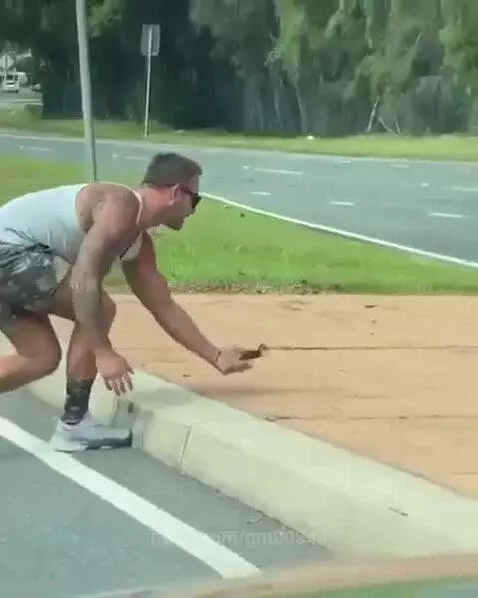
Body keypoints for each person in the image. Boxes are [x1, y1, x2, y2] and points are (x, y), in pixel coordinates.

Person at [0, 152, 255, 452]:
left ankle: (74, 425)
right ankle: (74, 424)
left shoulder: (137, 243)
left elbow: (165, 308)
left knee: (39, 359)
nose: (193, 211)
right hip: (9, 251)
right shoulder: (121, 205)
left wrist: (215, 356)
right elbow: (84, 279)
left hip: (12, 263)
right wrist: (104, 352)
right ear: (176, 193)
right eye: (195, 200)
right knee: (100, 307)